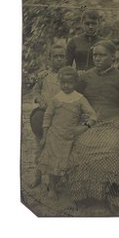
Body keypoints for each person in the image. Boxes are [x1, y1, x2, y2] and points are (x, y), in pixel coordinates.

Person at [68, 40, 119, 213]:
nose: (97, 58)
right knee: (81, 145)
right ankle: (84, 194)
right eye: (95, 55)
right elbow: (72, 99)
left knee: (113, 148)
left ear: (113, 58)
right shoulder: (84, 78)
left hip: (114, 124)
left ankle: (114, 194)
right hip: (90, 124)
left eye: (102, 55)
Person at [38, 66, 97, 199]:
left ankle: (70, 186)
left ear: (75, 83)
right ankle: (52, 188)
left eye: (69, 82)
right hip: (55, 136)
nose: (66, 85)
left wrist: (84, 127)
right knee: (53, 162)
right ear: (59, 82)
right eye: (63, 82)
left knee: (68, 162)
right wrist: (44, 135)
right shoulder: (56, 98)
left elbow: (93, 115)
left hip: (71, 137)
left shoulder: (80, 98)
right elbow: (47, 116)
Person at [29, 44, 66, 188]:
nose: (58, 59)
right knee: (40, 145)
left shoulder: (68, 75)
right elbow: (36, 91)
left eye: (61, 56)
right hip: (44, 114)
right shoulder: (43, 75)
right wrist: (40, 99)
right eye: (55, 56)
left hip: (61, 116)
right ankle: (37, 176)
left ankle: (57, 179)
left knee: (58, 148)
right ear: (49, 59)